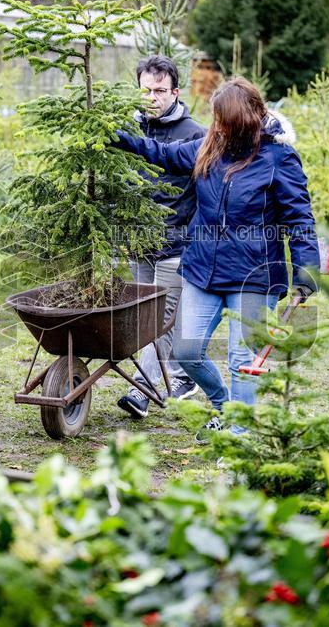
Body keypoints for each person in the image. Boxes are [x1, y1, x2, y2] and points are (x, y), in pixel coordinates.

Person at [114, 77, 319, 439]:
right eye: (216, 119)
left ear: (242, 119)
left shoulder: (278, 157)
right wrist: (120, 137)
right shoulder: (210, 145)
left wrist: (306, 271)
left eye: (223, 120)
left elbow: (299, 217)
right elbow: (163, 155)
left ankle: (240, 433)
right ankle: (225, 408)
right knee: (187, 350)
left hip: (254, 275)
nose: (217, 126)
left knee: (243, 360)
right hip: (202, 269)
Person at [116, 55, 207, 419]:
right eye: (145, 90)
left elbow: (207, 193)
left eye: (159, 90)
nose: (151, 97)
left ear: (175, 92)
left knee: (161, 320)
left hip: (176, 246)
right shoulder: (129, 130)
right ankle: (175, 377)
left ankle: (140, 392)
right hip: (138, 244)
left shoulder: (195, 134)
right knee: (142, 319)